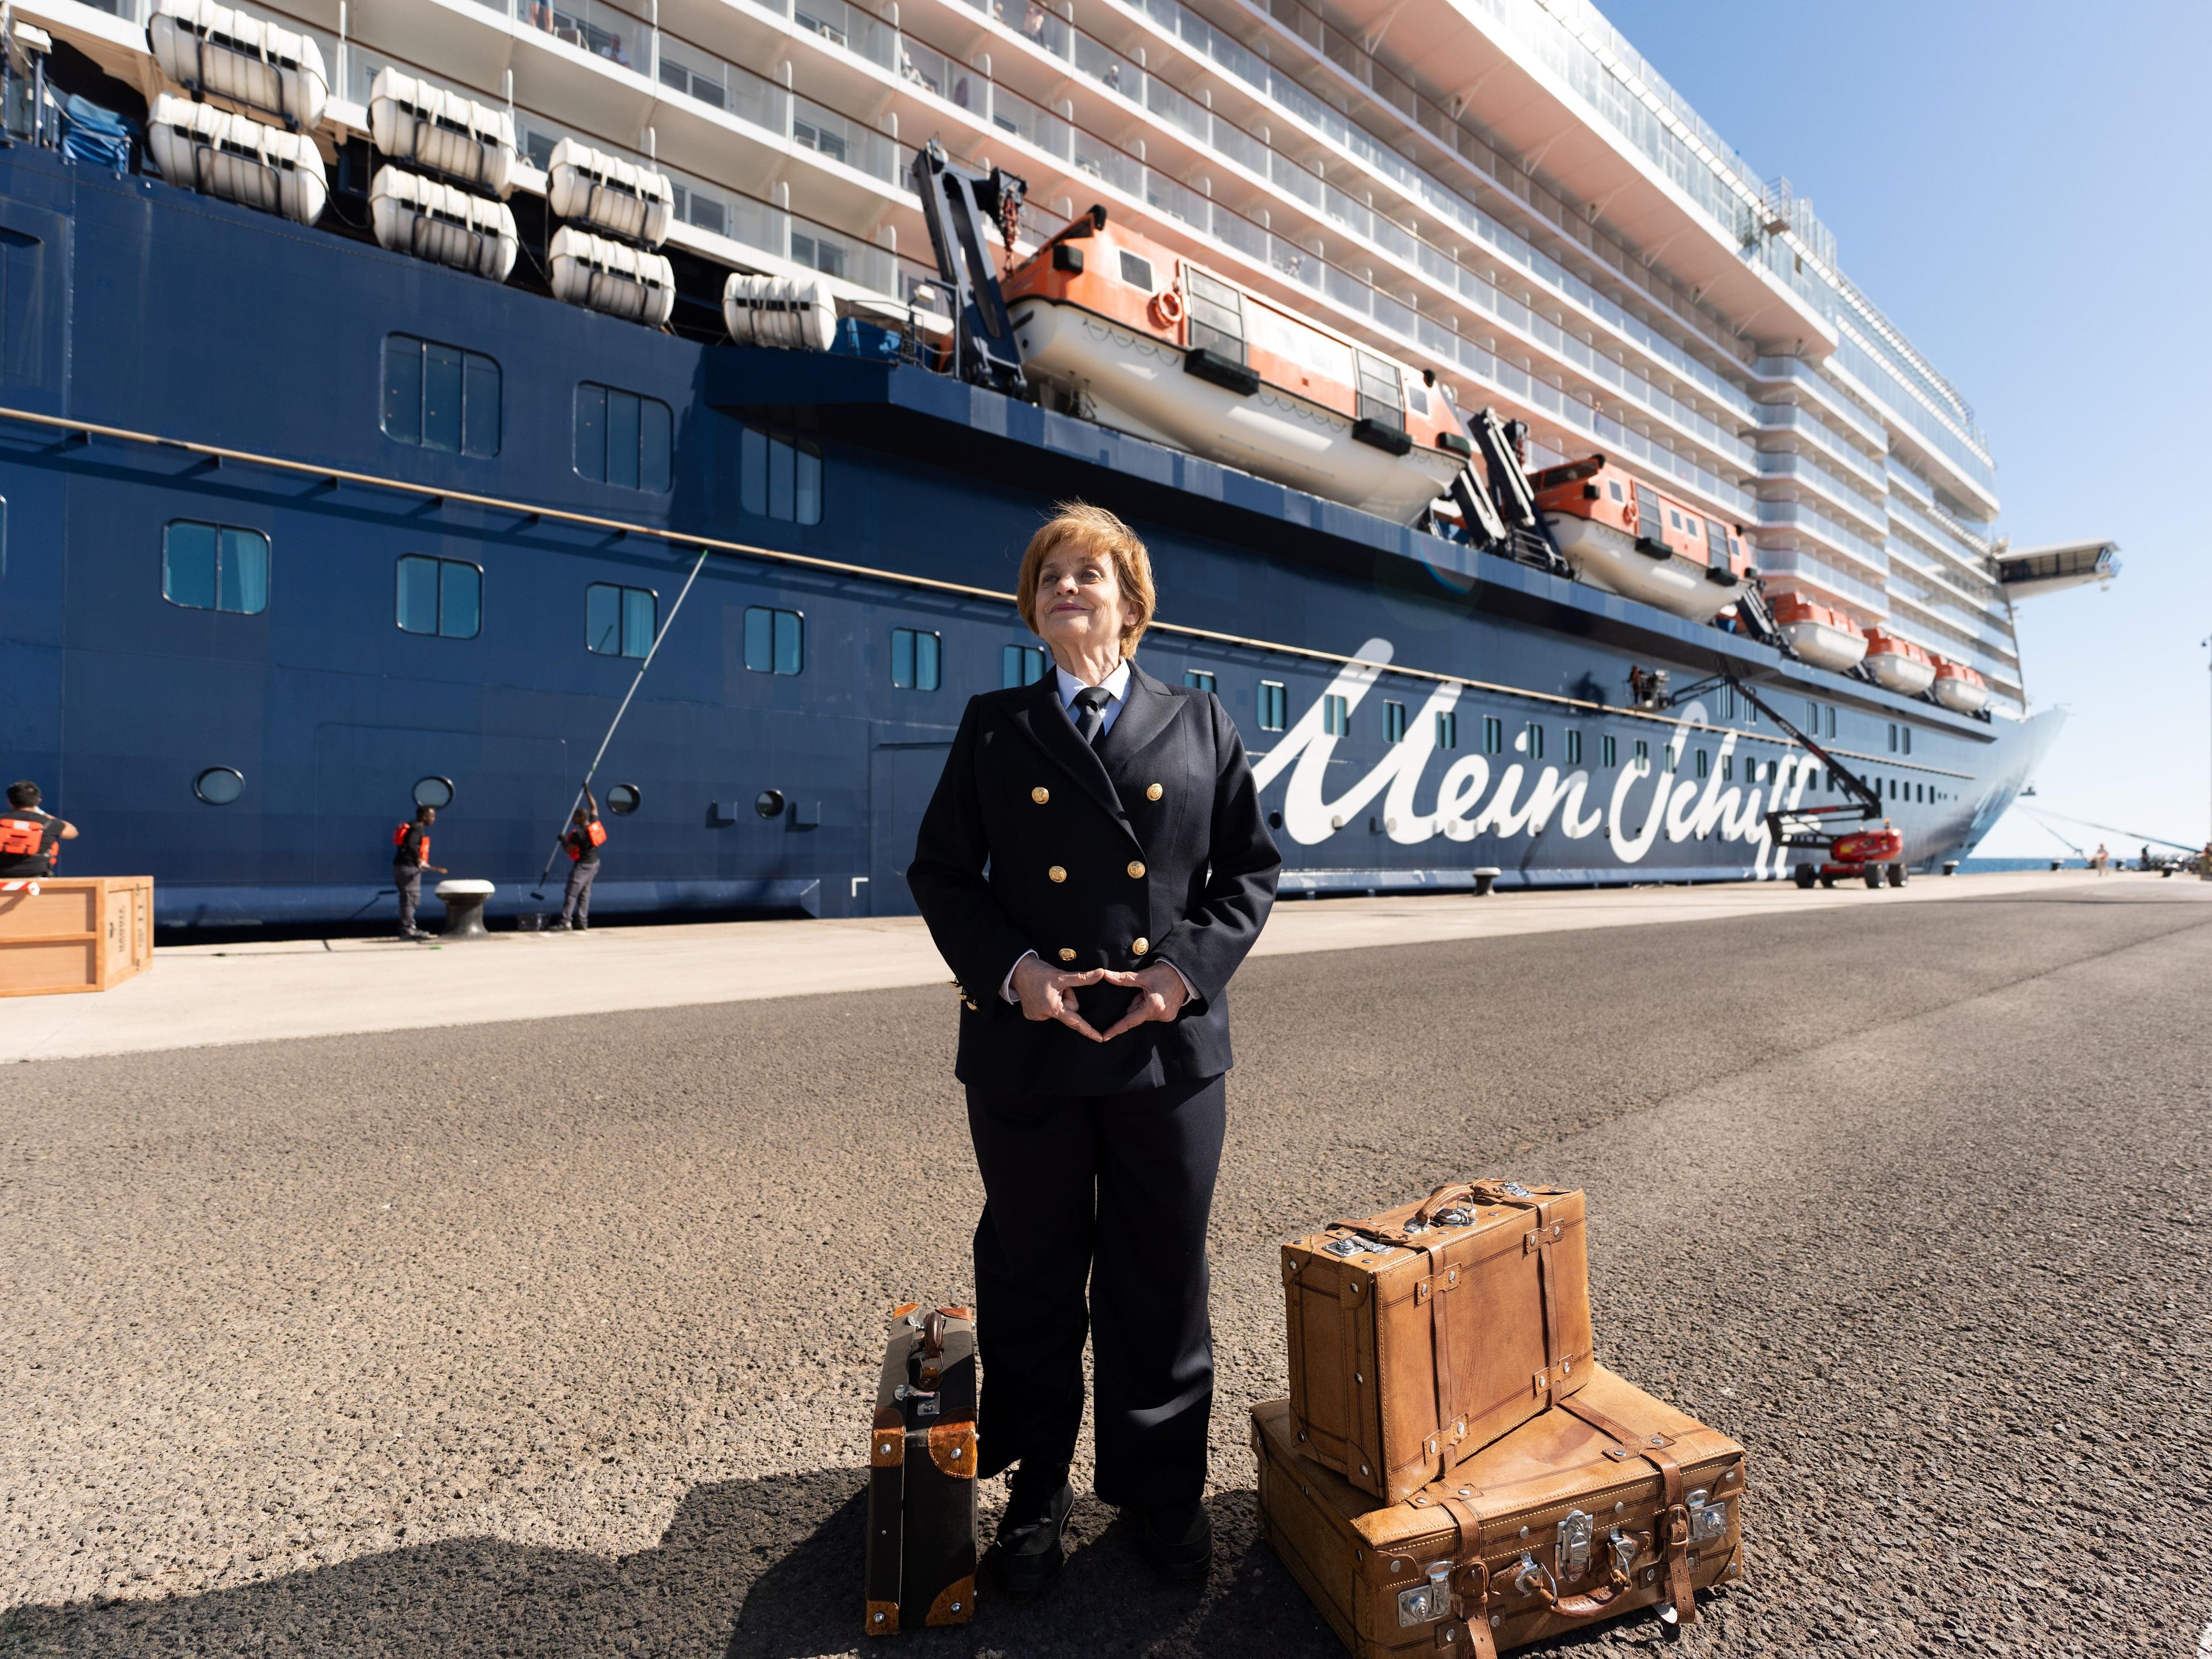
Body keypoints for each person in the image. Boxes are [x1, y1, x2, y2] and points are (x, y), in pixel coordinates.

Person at [908, 503, 1281, 1595]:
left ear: (1132, 606)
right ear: (1033, 610)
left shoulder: (1200, 722)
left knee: (1158, 1271)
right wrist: (1017, 970)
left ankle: (1160, 1489)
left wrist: (1182, 973)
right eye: (1050, 576)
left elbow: (1248, 872)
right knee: (1030, 1271)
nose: (1066, 587)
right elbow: (942, 874)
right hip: (1031, 1043)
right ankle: (1036, 1488)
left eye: (1089, 574)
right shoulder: (995, 726)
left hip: (1164, 1049)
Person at [0, 781, 77, 880]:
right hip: (38, 878)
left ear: (9, 801)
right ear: (38, 801)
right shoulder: (50, 824)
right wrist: (42, 814)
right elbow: (72, 832)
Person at [393, 805, 448, 940]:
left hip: (400, 867)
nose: (434, 819)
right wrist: (419, 860)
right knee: (411, 898)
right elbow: (412, 846)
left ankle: (407, 928)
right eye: (432, 816)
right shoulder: (418, 828)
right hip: (408, 868)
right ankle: (408, 929)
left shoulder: (412, 826)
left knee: (406, 898)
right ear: (424, 817)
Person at [555, 785, 606, 931]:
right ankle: (582, 922)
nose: (574, 819)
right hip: (594, 864)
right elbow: (594, 807)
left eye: (576, 817)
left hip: (583, 866)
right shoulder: (594, 824)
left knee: (571, 893)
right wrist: (588, 792)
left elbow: (568, 850)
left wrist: (563, 840)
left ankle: (565, 922)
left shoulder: (579, 834)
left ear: (582, 818)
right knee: (584, 893)